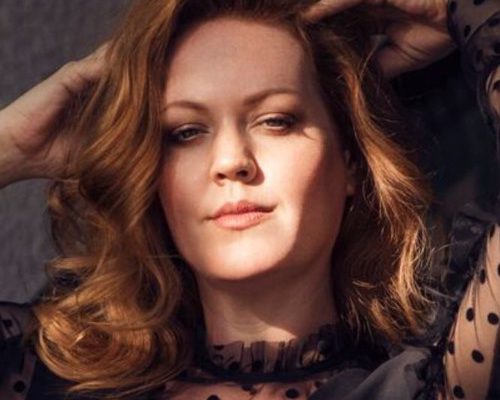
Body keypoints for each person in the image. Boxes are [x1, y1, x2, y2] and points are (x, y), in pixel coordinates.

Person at [0, 0, 498, 399]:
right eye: (186, 132)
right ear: (149, 174)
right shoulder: (45, 375)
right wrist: (11, 147)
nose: (231, 161)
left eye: (275, 121)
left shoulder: (434, 383)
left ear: (349, 161)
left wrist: (460, 9)